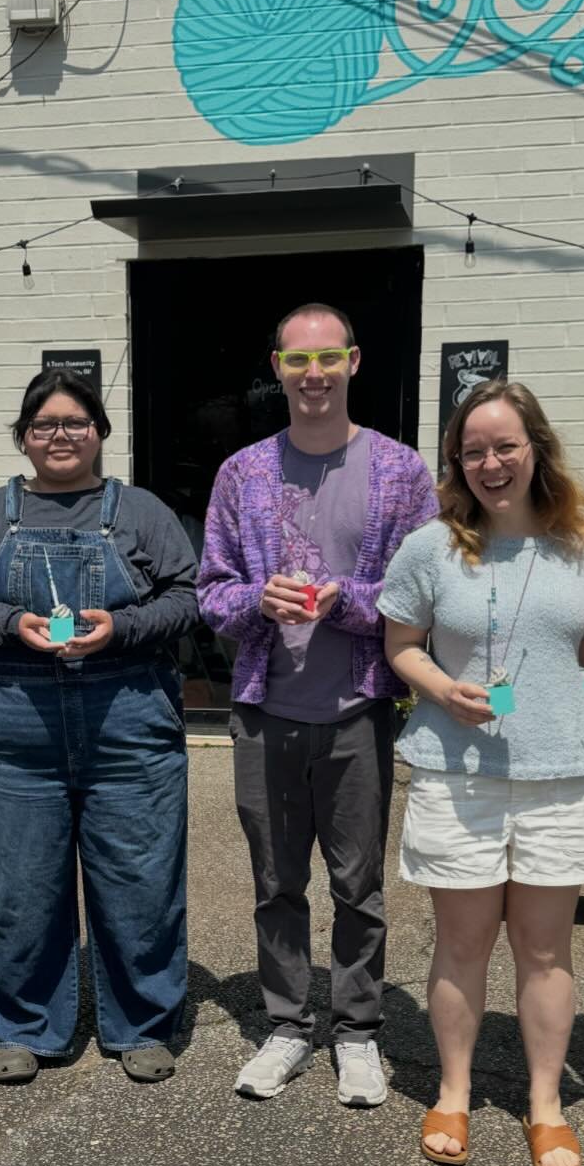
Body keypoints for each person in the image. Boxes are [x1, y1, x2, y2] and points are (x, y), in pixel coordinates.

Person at [379, 379, 584, 1166]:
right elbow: (400, 645)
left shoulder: (579, 546)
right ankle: (451, 1091)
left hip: (556, 769)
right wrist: (440, 687)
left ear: (535, 449)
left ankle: (545, 1104)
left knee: (545, 951)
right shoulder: (430, 547)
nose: (490, 462)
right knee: (460, 944)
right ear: (455, 460)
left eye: (505, 445)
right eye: (473, 449)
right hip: (460, 773)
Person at [0, 369, 198, 1085]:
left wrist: (123, 627)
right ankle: (20, 1025)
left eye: (75, 422)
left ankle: (140, 1024)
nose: (60, 435)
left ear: (100, 431)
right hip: (14, 724)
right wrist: (8, 623)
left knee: (140, 880)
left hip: (127, 718)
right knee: (19, 886)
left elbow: (186, 596)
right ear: (22, 437)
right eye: (44, 424)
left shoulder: (140, 512)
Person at [198, 303, 437, 1108]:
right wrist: (254, 601)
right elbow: (211, 592)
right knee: (274, 880)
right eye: (297, 360)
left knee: (356, 883)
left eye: (327, 358)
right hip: (265, 707)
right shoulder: (242, 473)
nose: (312, 374)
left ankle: (359, 1029)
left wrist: (345, 600)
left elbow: (420, 593)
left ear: (353, 362)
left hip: (358, 704)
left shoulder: (401, 471)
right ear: (277, 367)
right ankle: (289, 1023)